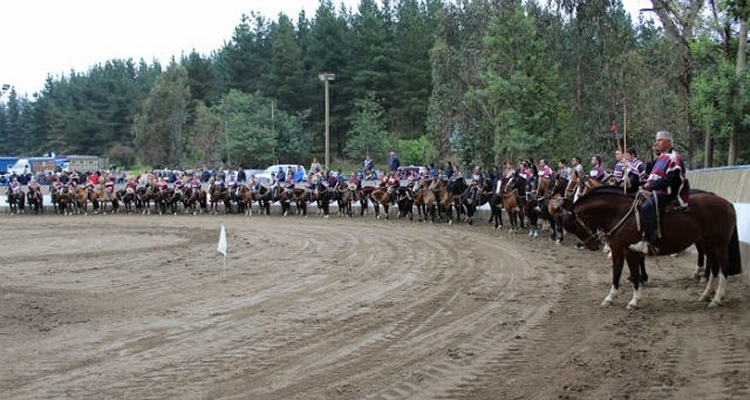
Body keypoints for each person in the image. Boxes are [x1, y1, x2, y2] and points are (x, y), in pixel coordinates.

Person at [629, 130, 690, 255]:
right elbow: (652, 176)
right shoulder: (661, 157)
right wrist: (635, 185)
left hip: (668, 192)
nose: (657, 143)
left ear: (668, 141)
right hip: (657, 189)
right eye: (656, 140)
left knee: (646, 208)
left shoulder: (674, 157)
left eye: (659, 140)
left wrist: (651, 186)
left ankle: (649, 242)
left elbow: (671, 179)